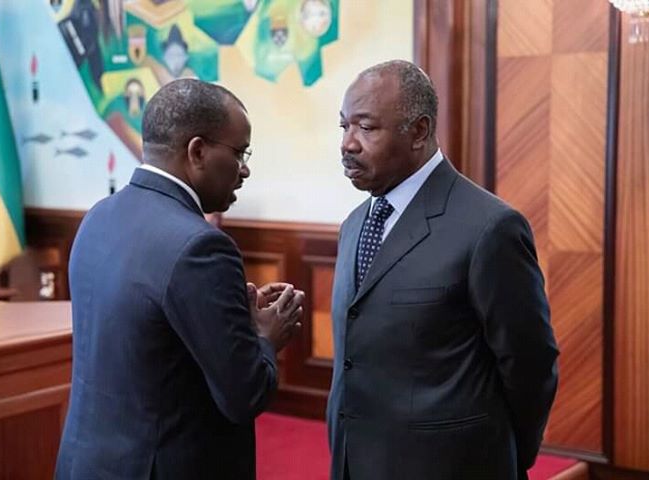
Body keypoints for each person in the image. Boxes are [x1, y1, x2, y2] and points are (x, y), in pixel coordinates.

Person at [56, 79, 305, 480]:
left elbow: (151, 339)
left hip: (87, 462)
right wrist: (264, 337)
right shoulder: (201, 246)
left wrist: (234, 321)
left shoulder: (98, 216)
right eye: (239, 152)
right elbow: (245, 394)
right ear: (197, 151)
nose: (244, 169)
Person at [327, 60, 559, 480]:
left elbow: (531, 362)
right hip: (353, 461)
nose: (348, 144)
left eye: (366, 127)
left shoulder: (490, 227)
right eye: (344, 126)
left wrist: (509, 453)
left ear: (419, 131)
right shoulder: (355, 224)